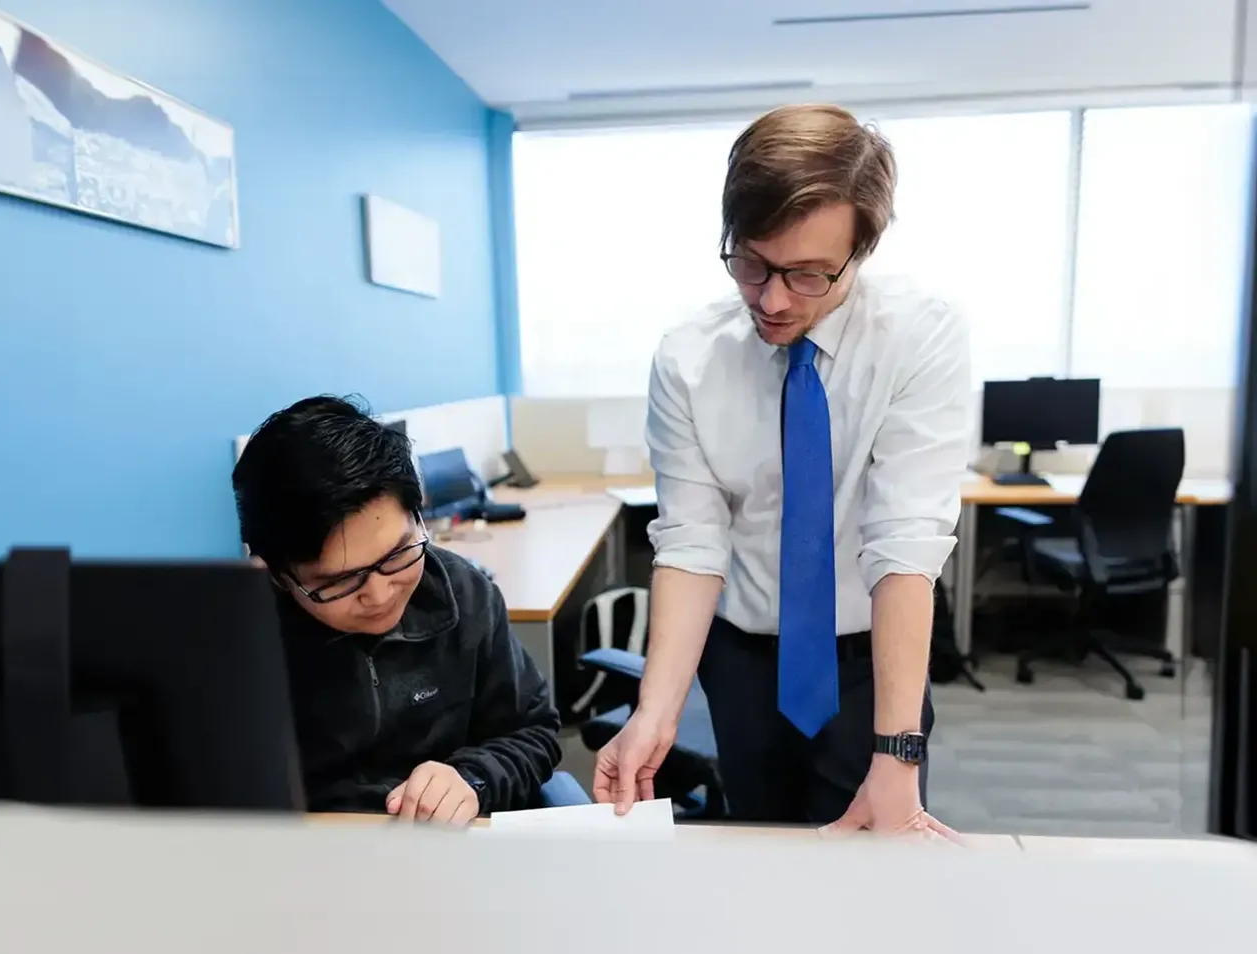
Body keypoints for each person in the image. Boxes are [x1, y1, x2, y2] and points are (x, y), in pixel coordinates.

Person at [592, 104, 969, 838]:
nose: (771, 300)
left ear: (861, 252)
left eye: (808, 276)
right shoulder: (688, 359)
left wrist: (896, 754)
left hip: (867, 657)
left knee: (870, 853)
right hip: (742, 657)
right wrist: (654, 715)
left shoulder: (919, 336)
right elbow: (693, 544)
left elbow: (904, 542)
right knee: (757, 845)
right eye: (751, 264)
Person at [231, 395, 561, 824]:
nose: (380, 593)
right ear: (276, 574)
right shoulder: (239, 642)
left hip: (449, 850)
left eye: (398, 554)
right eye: (339, 582)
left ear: (418, 517)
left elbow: (532, 731)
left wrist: (472, 780)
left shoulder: (464, 593)